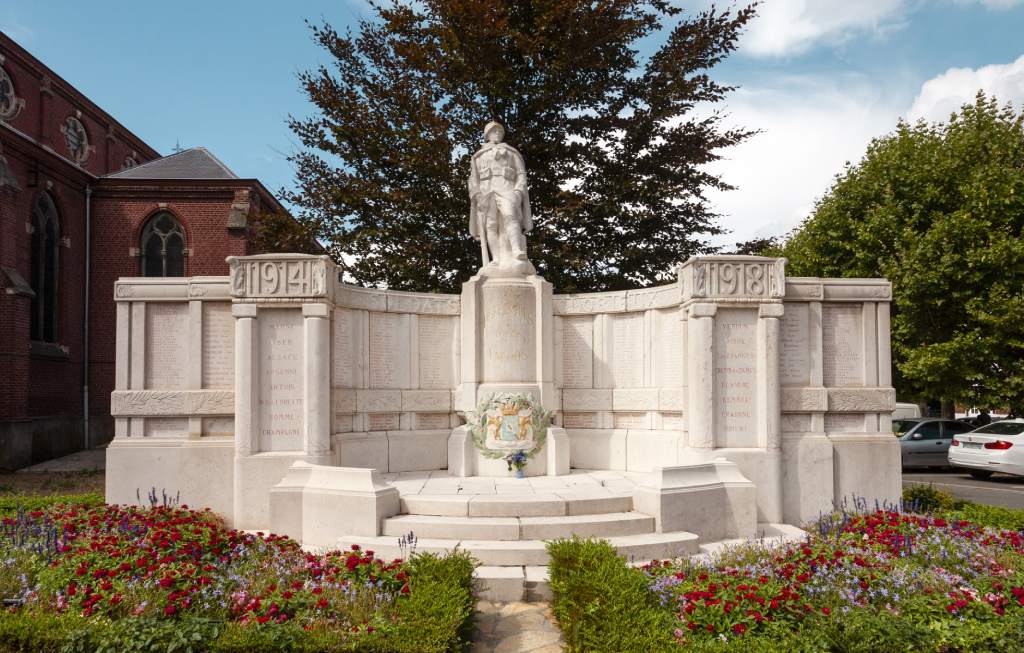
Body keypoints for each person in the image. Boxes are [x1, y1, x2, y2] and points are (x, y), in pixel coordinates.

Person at [468, 121, 534, 274]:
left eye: (499, 131)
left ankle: (517, 250)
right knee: (490, 225)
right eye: (493, 131)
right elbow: (473, 179)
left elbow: (521, 174)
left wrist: (518, 192)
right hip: (486, 191)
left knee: (510, 215)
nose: (497, 133)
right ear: (487, 135)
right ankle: (496, 259)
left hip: (507, 188)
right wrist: (476, 194)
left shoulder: (511, 153)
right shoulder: (478, 156)